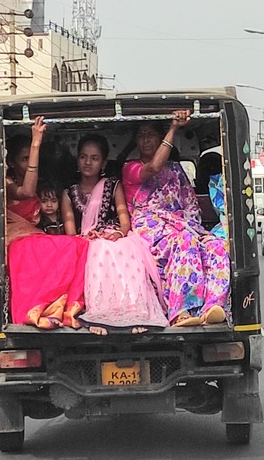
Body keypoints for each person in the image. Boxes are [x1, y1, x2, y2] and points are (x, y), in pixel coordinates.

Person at [122, 111, 229, 327]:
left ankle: (211, 309)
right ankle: (181, 311)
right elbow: (152, 168)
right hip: (149, 227)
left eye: (151, 134)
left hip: (181, 225)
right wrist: (173, 128)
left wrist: (194, 228)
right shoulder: (130, 168)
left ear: (159, 138)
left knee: (216, 246)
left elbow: (189, 203)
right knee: (185, 242)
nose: (146, 139)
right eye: (141, 135)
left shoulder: (175, 169)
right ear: (135, 140)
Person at [61, 134, 169, 335]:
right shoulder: (69, 192)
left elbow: (124, 219)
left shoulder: (113, 185)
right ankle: (99, 316)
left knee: (126, 250)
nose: (88, 162)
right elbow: (70, 232)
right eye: (83, 157)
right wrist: (87, 238)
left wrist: (119, 233)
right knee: (98, 250)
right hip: (86, 241)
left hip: (115, 235)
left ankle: (134, 314)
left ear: (103, 163)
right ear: (77, 160)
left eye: (94, 158)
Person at [5, 117, 88, 329]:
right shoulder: (8, 183)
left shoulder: (46, 183)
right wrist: (35, 142)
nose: (29, 162)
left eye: (31, 158)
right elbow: (27, 192)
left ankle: (67, 306)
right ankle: (47, 307)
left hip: (35, 237)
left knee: (79, 244)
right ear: (12, 163)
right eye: (24, 159)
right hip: (17, 241)